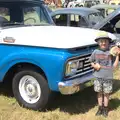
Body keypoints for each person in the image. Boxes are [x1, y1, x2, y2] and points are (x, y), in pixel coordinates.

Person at [89, 31, 120, 117]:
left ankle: (105, 108)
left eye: (105, 41)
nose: (103, 43)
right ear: (98, 42)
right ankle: (100, 108)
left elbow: (114, 66)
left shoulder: (111, 52)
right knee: (99, 93)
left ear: (108, 42)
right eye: (101, 41)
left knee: (106, 94)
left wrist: (118, 55)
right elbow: (91, 61)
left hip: (108, 77)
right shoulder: (95, 52)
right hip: (98, 77)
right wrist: (95, 65)